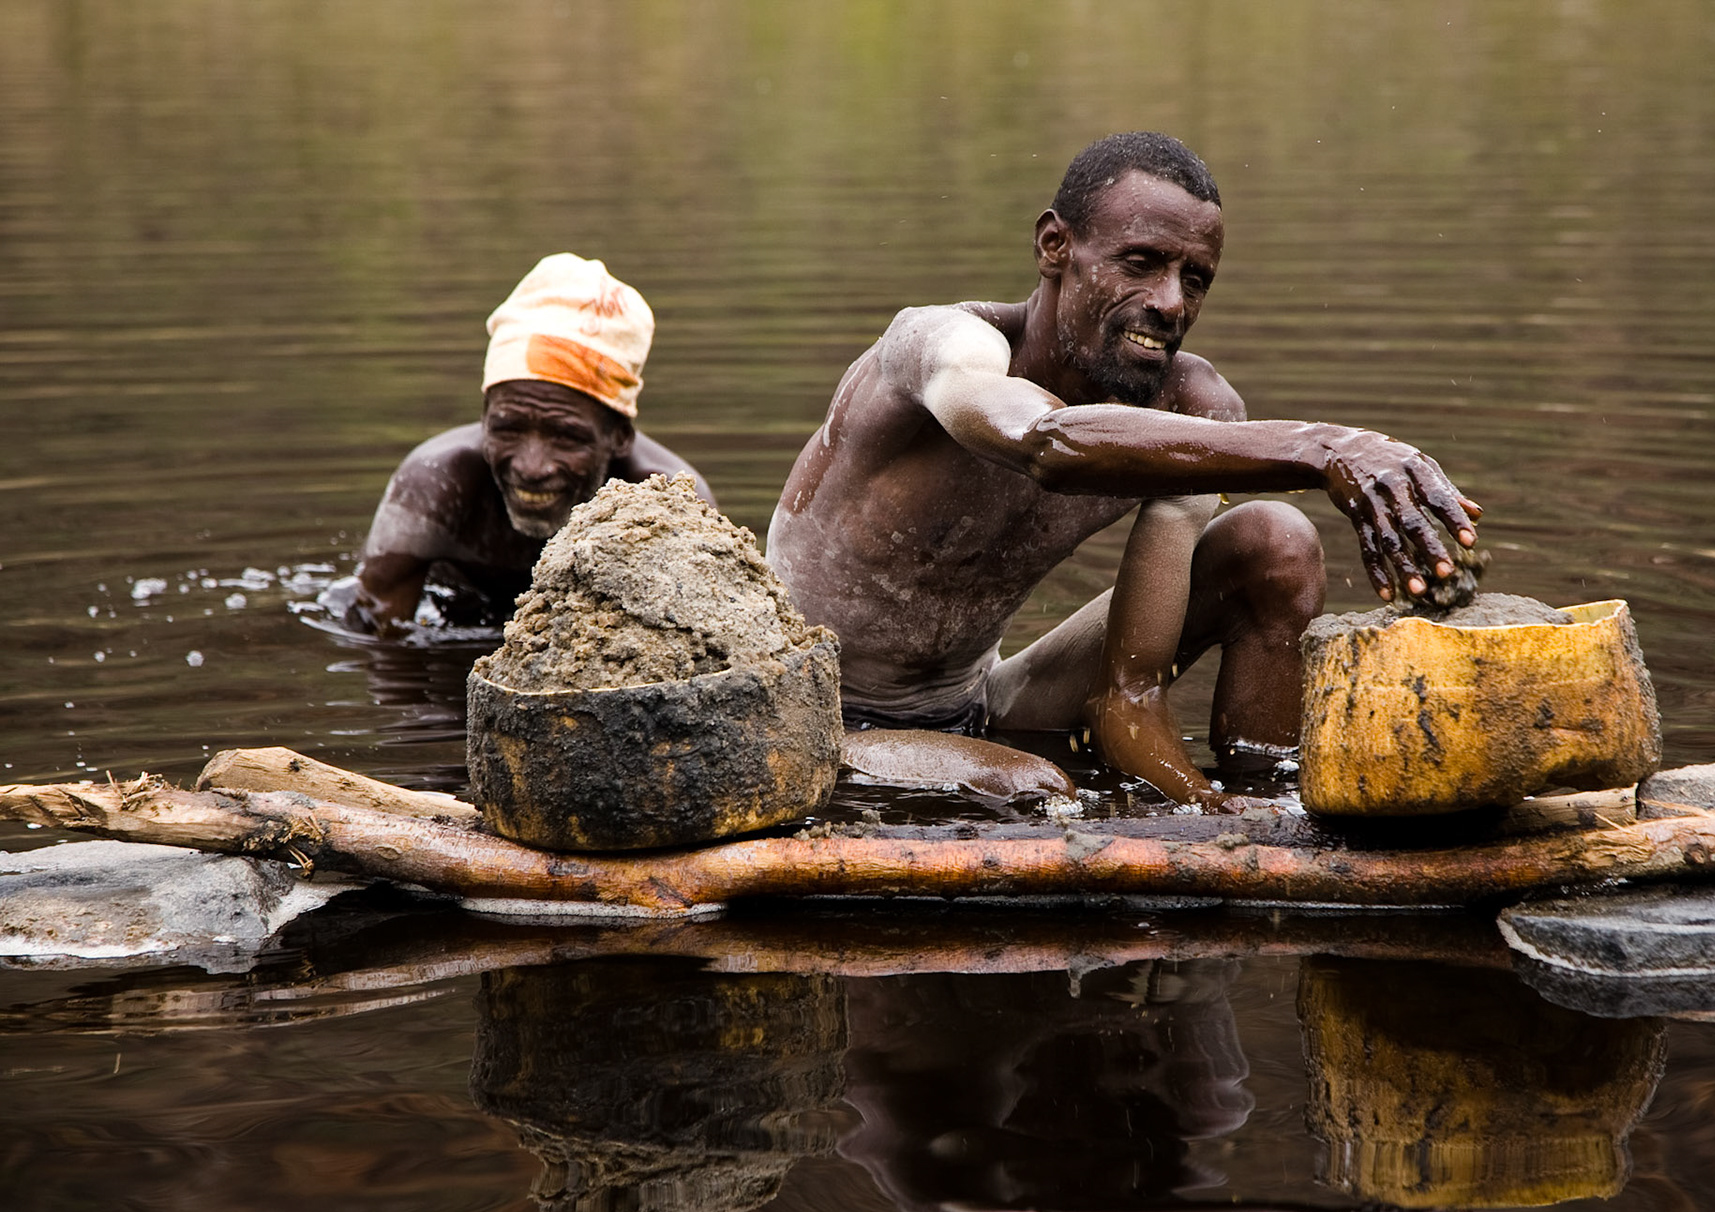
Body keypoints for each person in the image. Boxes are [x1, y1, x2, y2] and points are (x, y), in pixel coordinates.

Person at [766, 132, 1480, 809]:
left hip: (981, 700)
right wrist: (1323, 448)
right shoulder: (943, 345)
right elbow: (1045, 442)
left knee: (1275, 542)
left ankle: (1278, 804)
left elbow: (1130, 694)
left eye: (1194, 279)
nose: (1171, 303)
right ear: (1055, 246)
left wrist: (1210, 808)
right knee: (1031, 792)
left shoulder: (1196, 409)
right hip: (809, 713)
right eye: (1141, 263)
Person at [333, 252, 710, 636]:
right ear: (484, 418)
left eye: (565, 436)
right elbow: (376, 631)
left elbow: (693, 648)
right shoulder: (435, 487)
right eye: (509, 429)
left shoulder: (668, 503)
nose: (532, 467)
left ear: (619, 437)